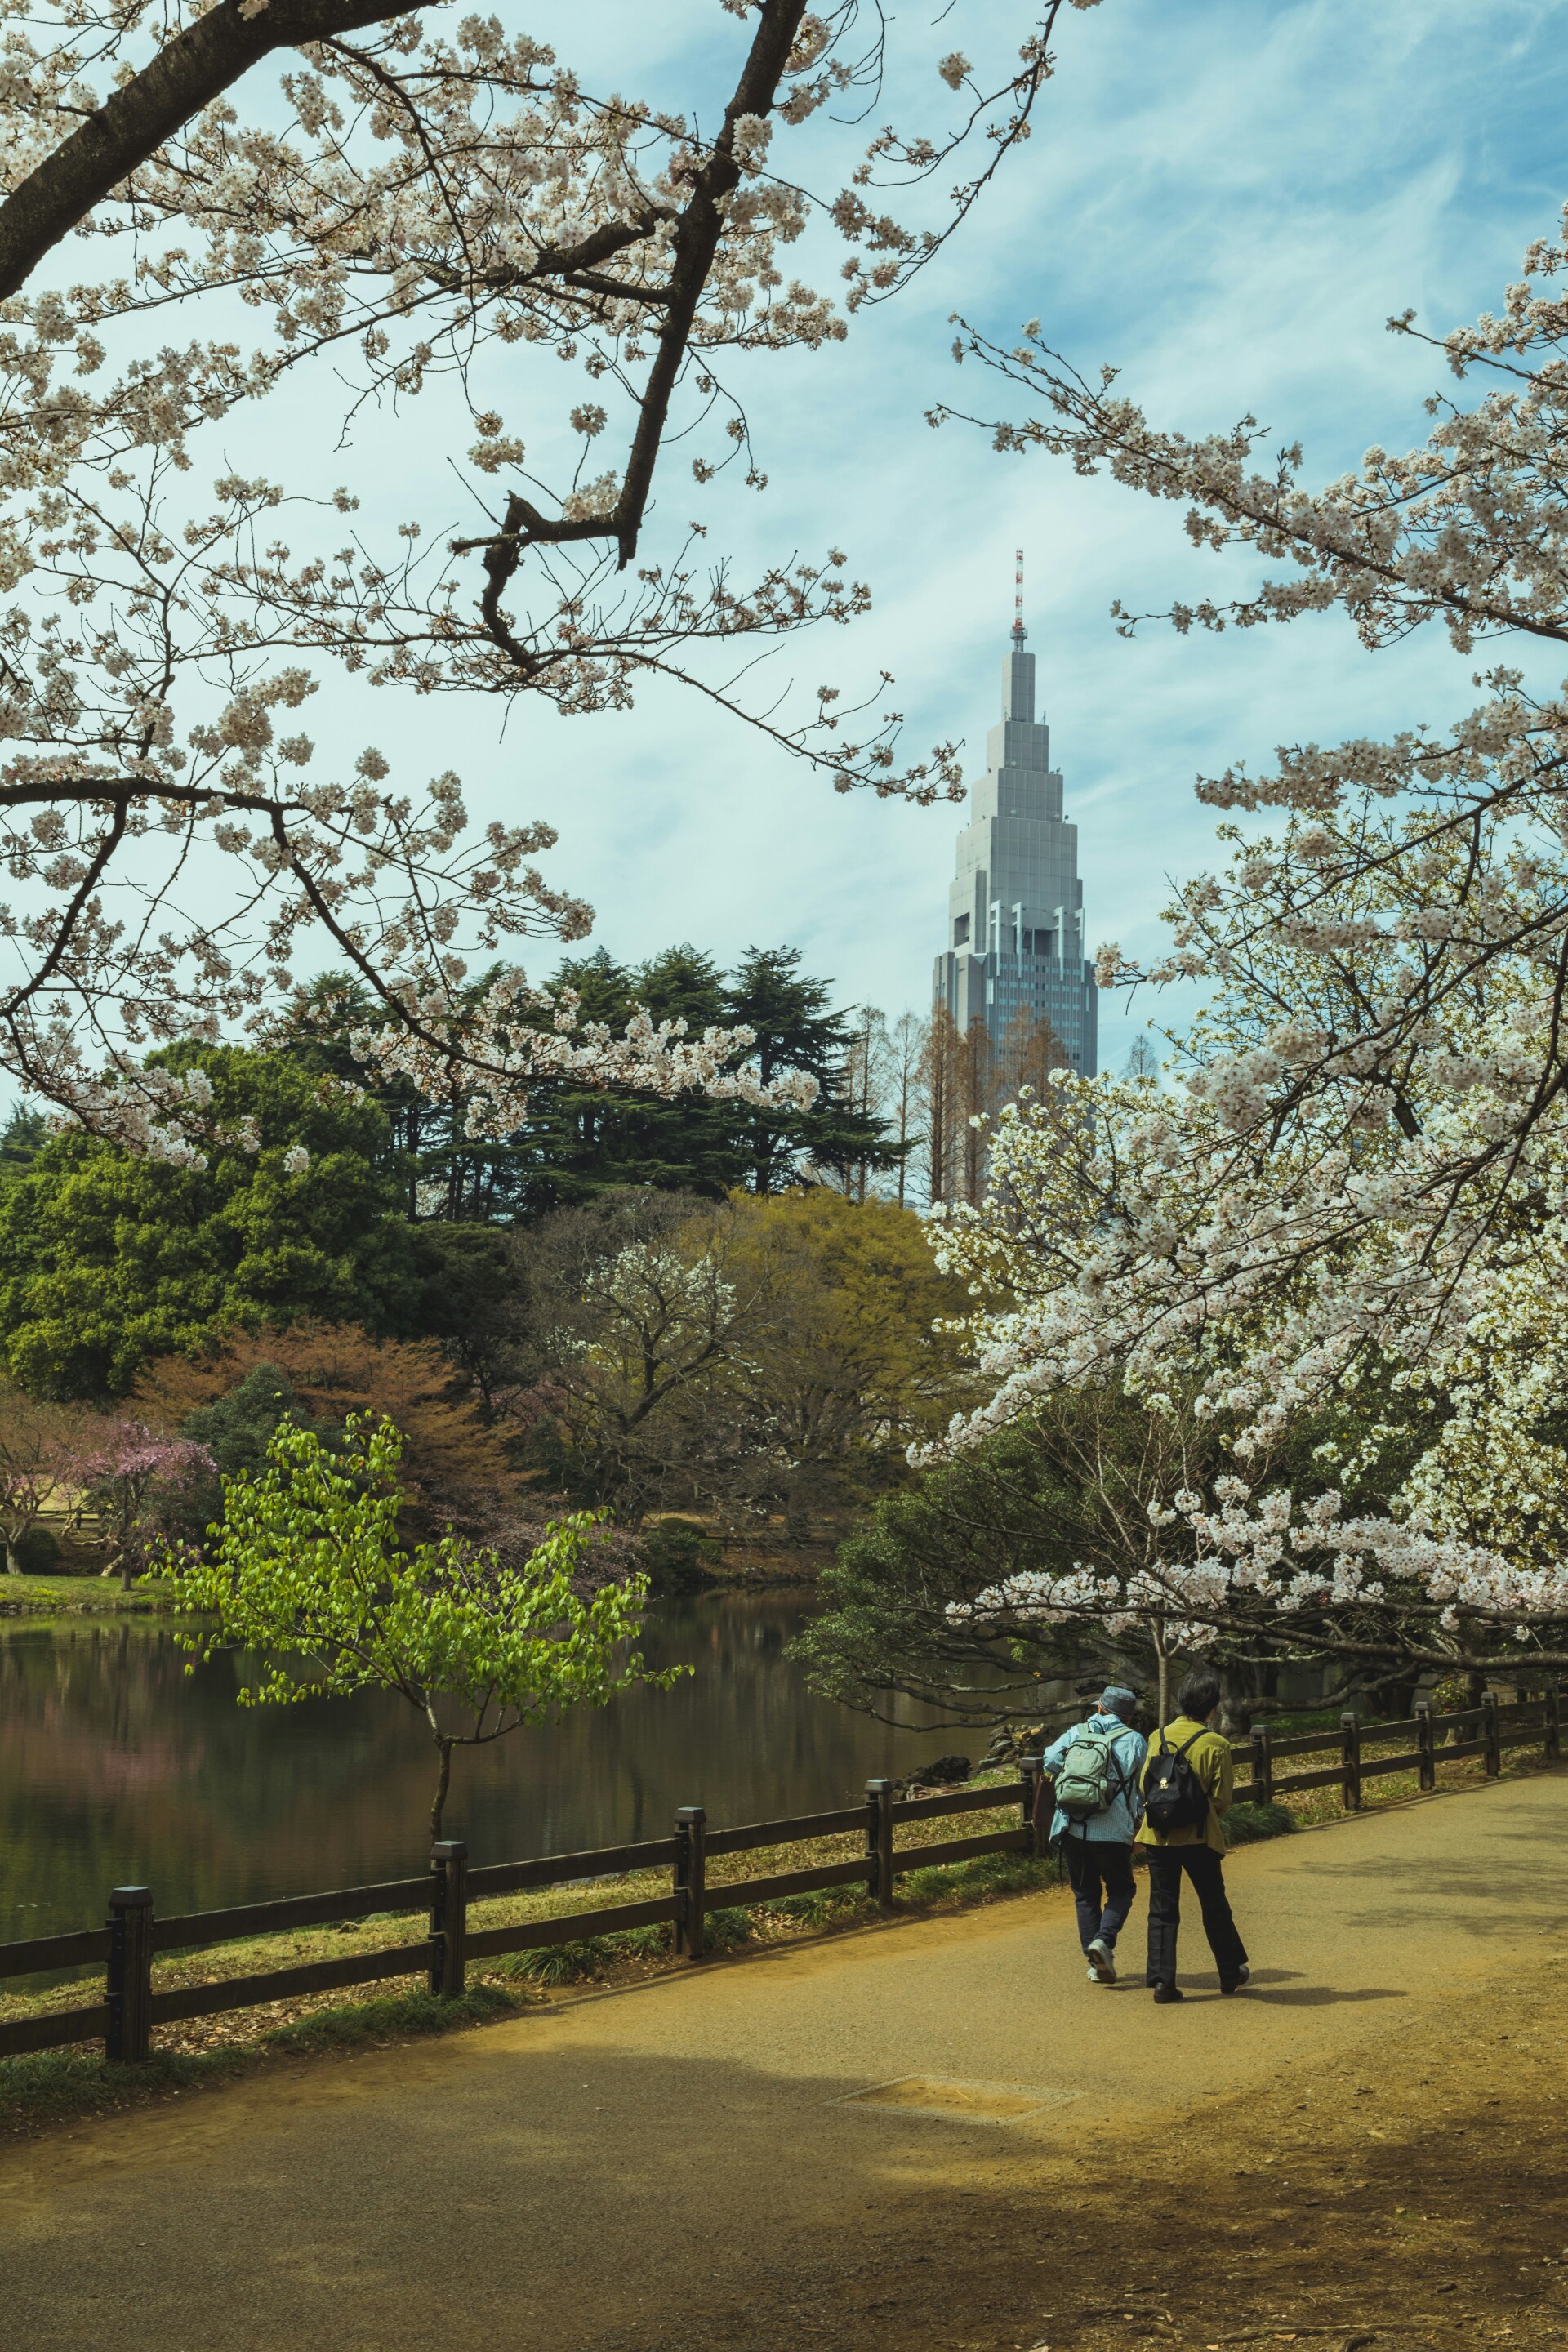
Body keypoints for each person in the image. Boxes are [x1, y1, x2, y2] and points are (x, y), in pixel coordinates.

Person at [1135, 1664, 1250, 2004]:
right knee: (1214, 1904)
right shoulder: (1216, 1744)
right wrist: (1199, 1812)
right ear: (1212, 1707)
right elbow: (1223, 1799)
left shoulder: (1157, 1737)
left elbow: (1144, 1786)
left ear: (1182, 1701)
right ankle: (1229, 1973)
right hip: (1200, 1837)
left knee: (1162, 1908)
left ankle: (1162, 1982)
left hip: (1158, 1836)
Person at [1040, 1686, 1148, 1984]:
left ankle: (1094, 1964)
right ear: (1128, 1717)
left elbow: (1049, 1761)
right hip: (1113, 1830)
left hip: (1073, 1827)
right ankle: (1104, 1940)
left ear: (1099, 1708)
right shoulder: (1135, 1740)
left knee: (1086, 1894)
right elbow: (1143, 1785)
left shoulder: (1077, 1732)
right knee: (1121, 1890)